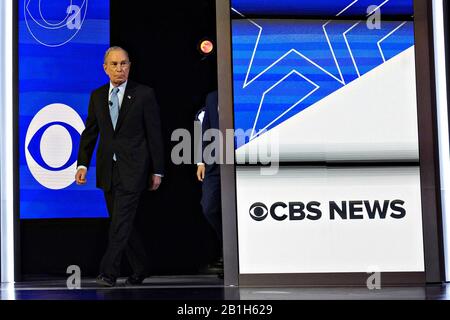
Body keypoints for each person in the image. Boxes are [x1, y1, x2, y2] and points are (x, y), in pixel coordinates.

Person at [75, 46, 164, 287]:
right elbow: (90, 132)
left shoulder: (144, 94)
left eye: (123, 63)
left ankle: (108, 272)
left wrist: (157, 169)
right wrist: (82, 164)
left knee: (121, 222)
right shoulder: (97, 96)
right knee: (123, 221)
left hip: (134, 169)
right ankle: (141, 267)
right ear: (105, 68)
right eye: (114, 64)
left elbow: (154, 134)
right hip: (108, 169)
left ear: (129, 65)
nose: (119, 68)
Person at [196, 90, 223, 276]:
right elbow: (205, 130)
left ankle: (229, 255)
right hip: (215, 166)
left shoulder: (243, 94)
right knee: (209, 207)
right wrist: (200, 161)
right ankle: (227, 247)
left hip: (240, 161)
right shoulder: (212, 97)